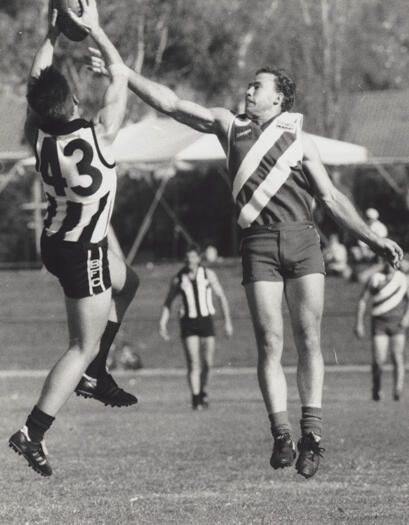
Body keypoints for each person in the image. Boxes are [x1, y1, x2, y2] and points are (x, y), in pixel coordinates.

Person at [87, 52, 403, 478]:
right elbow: (171, 104)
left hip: (302, 240)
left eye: (258, 87)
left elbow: (331, 199)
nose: (248, 91)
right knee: (270, 342)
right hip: (257, 243)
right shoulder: (229, 125)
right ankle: (281, 434)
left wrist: (374, 238)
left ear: (279, 100)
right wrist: (122, 72)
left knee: (308, 337)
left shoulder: (298, 137)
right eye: (250, 86)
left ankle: (312, 435)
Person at [9, 0, 139, 477]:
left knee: (129, 283)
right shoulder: (100, 135)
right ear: (75, 102)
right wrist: (96, 31)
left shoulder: (38, 135)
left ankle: (98, 371)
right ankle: (33, 431)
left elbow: (36, 86)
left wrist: (51, 34)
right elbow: (120, 74)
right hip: (84, 248)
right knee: (79, 345)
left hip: (60, 239)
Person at [159, 245, 233, 410]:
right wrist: (163, 322)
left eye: (193, 257)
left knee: (208, 363)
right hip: (188, 322)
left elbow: (221, 297)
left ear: (198, 258)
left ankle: (203, 390)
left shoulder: (208, 274)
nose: (190, 261)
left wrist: (228, 322)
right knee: (193, 362)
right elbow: (168, 301)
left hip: (206, 321)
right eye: (187, 257)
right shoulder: (179, 278)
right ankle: (195, 398)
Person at [354, 261, 409, 401]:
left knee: (397, 357)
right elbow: (363, 300)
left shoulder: (402, 278)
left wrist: (406, 317)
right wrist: (359, 322)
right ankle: (377, 388)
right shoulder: (375, 278)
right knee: (379, 359)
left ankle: (398, 390)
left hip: (397, 323)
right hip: (379, 323)